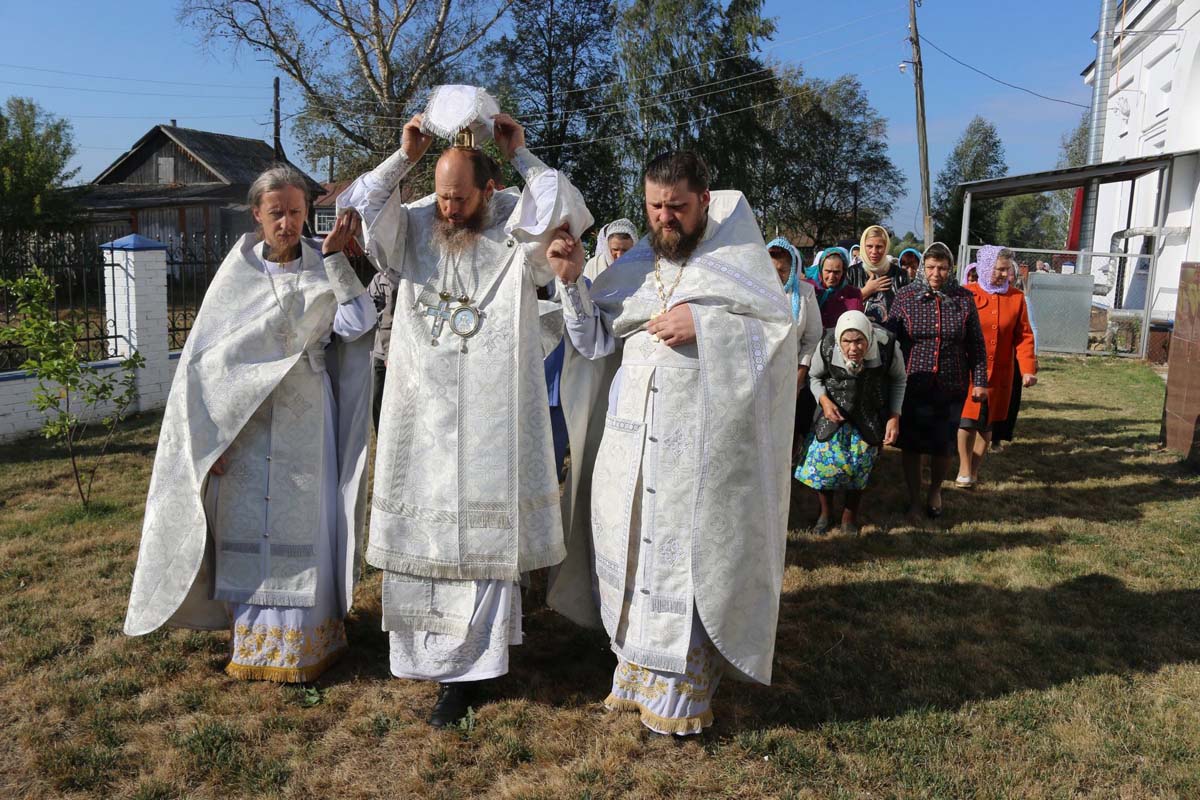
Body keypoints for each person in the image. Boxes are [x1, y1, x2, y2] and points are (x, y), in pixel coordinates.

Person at [336, 86, 592, 727]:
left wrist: (524, 154)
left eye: (461, 197)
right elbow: (362, 206)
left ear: (488, 189)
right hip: (421, 410)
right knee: (424, 531)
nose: (449, 208)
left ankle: (474, 671)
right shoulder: (415, 218)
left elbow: (567, 210)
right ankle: (426, 661)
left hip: (490, 412)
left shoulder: (513, 222)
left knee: (481, 533)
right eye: (443, 195)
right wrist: (405, 157)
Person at [548, 151, 796, 737]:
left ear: (704, 201)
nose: (665, 219)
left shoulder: (735, 259)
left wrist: (704, 326)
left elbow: (776, 337)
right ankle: (632, 674)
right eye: (655, 207)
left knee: (683, 560)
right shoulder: (636, 263)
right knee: (636, 552)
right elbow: (592, 343)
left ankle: (682, 692)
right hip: (630, 444)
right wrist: (570, 283)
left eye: (678, 207)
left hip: (697, 447)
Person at [124, 165, 375, 683]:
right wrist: (208, 441)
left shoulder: (321, 265)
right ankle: (254, 641)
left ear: (308, 213)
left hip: (307, 411)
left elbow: (358, 323)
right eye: (277, 212)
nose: (287, 222)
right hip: (246, 422)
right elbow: (206, 364)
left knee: (306, 517)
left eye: (296, 212)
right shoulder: (235, 277)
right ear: (257, 214)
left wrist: (334, 260)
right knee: (247, 522)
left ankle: (311, 637)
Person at [887, 242, 987, 523]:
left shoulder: (964, 298)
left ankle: (935, 491)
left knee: (943, 445)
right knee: (912, 445)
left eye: (942, 267)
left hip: (951, 382)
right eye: (930, 267)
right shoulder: (906, 296)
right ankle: (914, 499)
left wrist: (980, 381)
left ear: (950, 268)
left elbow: (976, 345)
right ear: (921, 268)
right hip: (913, 382)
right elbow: (891, 335)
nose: (936, 273)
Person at [796, 310, 906, 535]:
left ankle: (849, 517)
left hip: (868, 414)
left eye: (859, 341)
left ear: (869, 337)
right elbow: (815, 377)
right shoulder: (827, 345)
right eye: (847, 342)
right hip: (832, 415)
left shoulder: (886, 346)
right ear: (839, 340)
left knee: (859, 467)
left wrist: (894, 416)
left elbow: (898, 379)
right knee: (823, 466)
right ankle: (825, 514)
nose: (853, 349)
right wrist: (824, 401)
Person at [956, 245, 1038, 487]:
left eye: (1007, 270)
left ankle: (975, 469)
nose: (1004, 275)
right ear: (984, 267)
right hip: (969, 371)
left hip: (1001, 374)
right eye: (999, 269)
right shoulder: (965, 294)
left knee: (987, 424)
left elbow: (1024, 336)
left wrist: (1028, 369)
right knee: (967, 421)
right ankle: (964, 467)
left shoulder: (1016, 298)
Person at [768, 236, 823, 448]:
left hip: (792, 372)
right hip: (761, 371)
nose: (777, 277)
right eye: (772, 270)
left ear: (792, 269)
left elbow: (812, 338)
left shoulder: (805, 293)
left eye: (783, 271)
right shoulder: (755, 293)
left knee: (787, 426)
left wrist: (800, 375)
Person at [847, 225, 908, 324]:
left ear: (886, 247)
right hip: (858, 335)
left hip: (891, 335)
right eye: (869, 246)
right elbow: (843, 306)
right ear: (863, 246)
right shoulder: (851, 273)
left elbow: (906, 310)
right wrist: (865, 291)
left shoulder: (900, 275)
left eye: (879, 247)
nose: (874, 251)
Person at [367, 270, 394, 430]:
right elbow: (369, 308)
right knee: (377, 398)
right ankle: (381, 438)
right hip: (380, 351)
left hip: (402, 350)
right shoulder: (380, 278)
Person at [812, 247, 863, 329]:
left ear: (843, 271)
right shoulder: (810, 291)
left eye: (836, 272)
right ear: (821, 269)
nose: (831, 276)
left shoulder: (853, 294)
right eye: (828, 271)